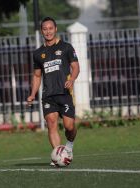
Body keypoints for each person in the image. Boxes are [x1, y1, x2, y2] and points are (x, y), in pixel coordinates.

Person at [27, 17, 80, 166]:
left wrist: (73, 79)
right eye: (45, 29)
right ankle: (58, 155)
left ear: (55, 29)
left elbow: (76, 67)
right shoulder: (38, 53)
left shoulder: (66, 47)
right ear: (41, 31)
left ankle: (69, 146)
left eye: (51, 28)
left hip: (65, 93)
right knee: (51, 123)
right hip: (48, 95)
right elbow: (37, 76)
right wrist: (32, 94)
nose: (48, 31)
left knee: (69, 126)